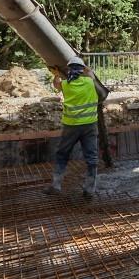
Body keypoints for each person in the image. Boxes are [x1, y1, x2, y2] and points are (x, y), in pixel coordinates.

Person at [47, 57, 100, 199]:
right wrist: (84, 66)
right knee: (92, 158)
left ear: (69, 70)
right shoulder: (89, 82)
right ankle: (89, 190)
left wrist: (57, 73)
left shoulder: (66, 85)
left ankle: (56, 186)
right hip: (90, 125)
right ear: (81, 70)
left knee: (62, 155)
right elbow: (90, 72)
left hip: (71, 126)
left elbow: (56, 84)